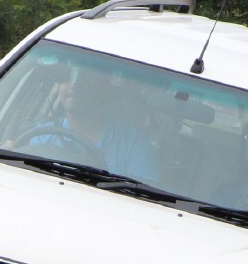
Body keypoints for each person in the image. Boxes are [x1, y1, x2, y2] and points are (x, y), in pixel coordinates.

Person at [21, 64, 158, 180]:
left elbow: (144, 196)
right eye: (66, 77)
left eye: (83, 77)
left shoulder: (133, 142)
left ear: (101, 87)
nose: (73, 84)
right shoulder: (41, 136)